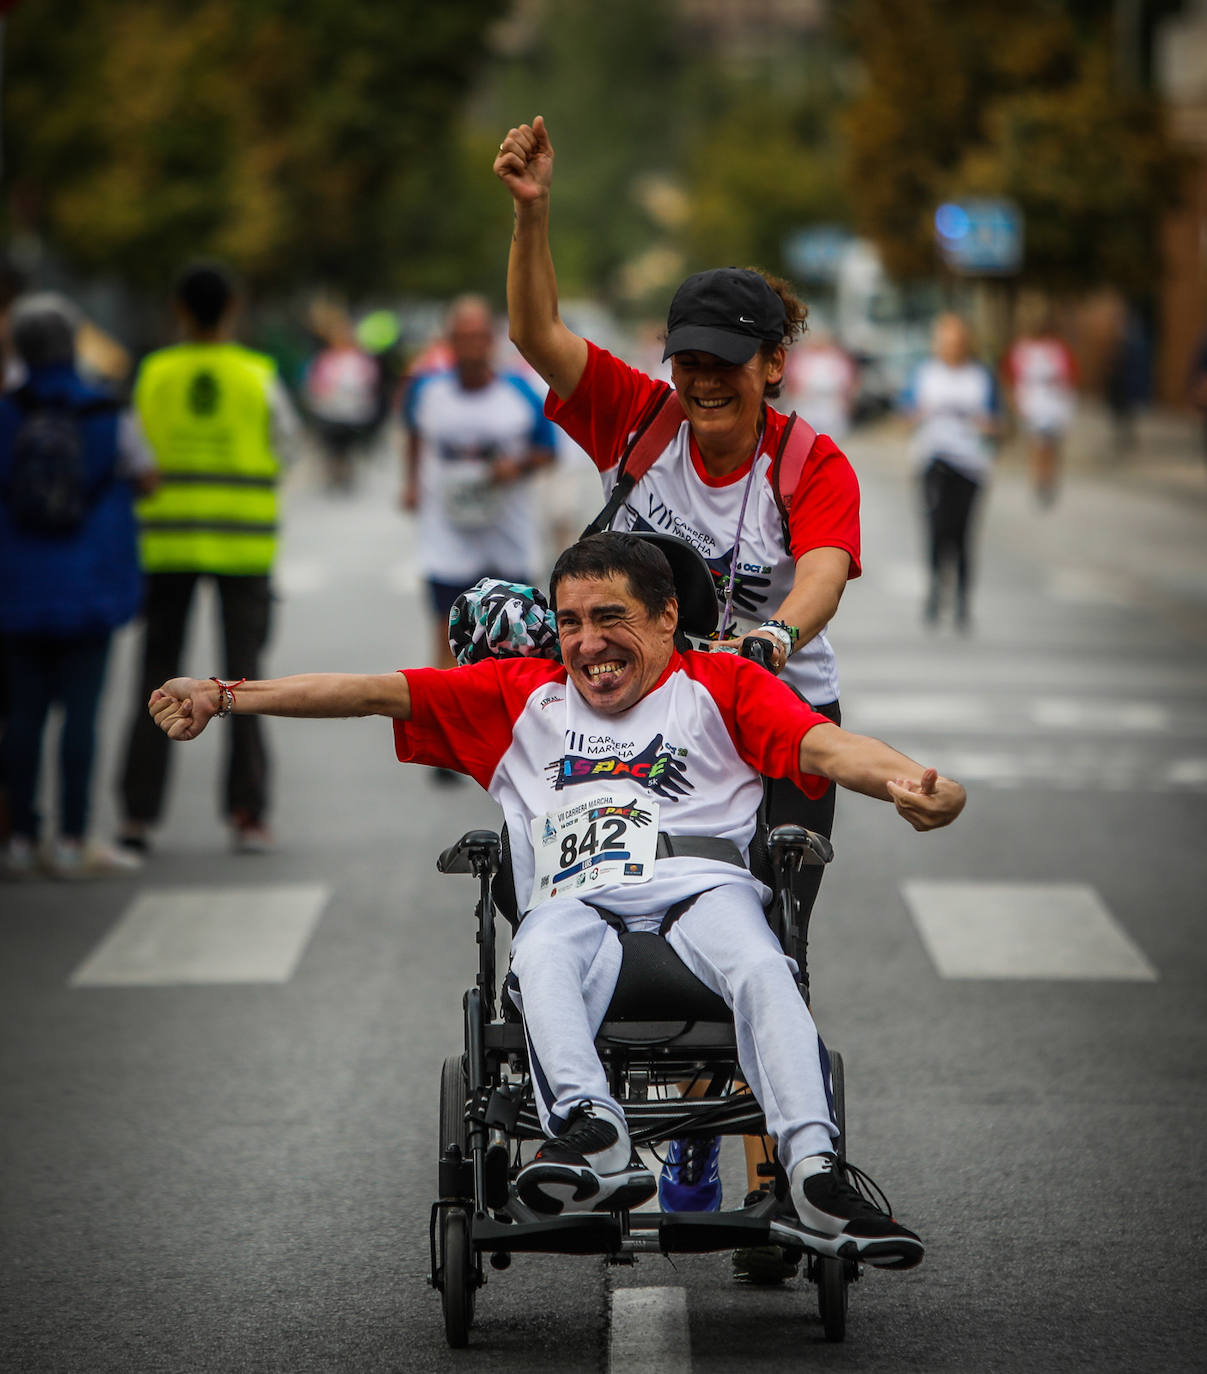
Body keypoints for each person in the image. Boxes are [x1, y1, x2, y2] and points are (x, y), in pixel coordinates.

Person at [146, 532, 965, 1270]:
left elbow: (822, 744)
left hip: (703, 891)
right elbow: (365, 691)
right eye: (569, 622)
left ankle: (816, 1176)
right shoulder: (519, 696)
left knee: (762, 962)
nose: (587, 643)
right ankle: (591, 1131)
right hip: (579, 906)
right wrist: (223, 694)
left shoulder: (721, 682)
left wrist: (906, 781)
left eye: (610, 618)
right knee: (537, 950)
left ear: (665, 616)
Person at [495, 116, 861, 1255]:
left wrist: (773, 639)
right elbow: (537, 332)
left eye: (723, 361)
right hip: (643, 707)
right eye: (686, 357)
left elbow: (825, 569)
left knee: (762, 931)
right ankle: (599, 1112)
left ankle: (735, 1148)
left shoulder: (807, 461)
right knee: (612, 897)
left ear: (770, 367)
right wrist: (531, 211)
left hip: (772, 714)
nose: (700, 379)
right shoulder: (640, 418)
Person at [116, 261, 298, 856]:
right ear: (233, 309)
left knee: (154, 674)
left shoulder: (154, 373)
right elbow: (288, 445)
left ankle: (137, 816)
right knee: (241, 679)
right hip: (243, 543)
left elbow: (131, 448)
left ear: (179, 308)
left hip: (165, 544)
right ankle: (248, 814)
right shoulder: (256, 373)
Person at [0, 294, 156, 877]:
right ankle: (71, 840)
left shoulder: (5, 413)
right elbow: (148, 475)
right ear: (74, 343)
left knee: (23, 717)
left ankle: (17, 841)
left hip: (15, 587)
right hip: (90, 586)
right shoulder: (107, 411)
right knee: (82, 717)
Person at [401, 295, 557, 680]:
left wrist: (516, 466)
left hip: (507, 534)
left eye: (478, 336)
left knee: (515, 635)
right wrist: (411, 484)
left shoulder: (519, 393)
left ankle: (514, 712)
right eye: (461, 336)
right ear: (448, 341)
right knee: (446, 628)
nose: (470, 345)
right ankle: (443, 711)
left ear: (492, 340)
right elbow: (414, 434)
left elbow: (548, 451)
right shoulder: (426, 391)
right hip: (448, 534)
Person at [904, 313, 999, 633]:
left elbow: (999, 422)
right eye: (944, 341)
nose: (950, 347)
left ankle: (962, 600)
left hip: (971, 465)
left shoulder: (981, 376)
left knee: (962, 534)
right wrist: (920, 415)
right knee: (936, 529)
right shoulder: (925, 373)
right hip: (934, 461)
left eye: (956, 341)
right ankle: (934, 590)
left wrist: (986, 425)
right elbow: (906, 412)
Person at [1003, 299, 1078, 506]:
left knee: (1051, 445)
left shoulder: (1058, 349)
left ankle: (1049, 478)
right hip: (1034, 404)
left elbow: (1068, 377)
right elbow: (1012, 377)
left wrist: (1066, 404)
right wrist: (1016, 402)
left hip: (1053, 405)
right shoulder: (1023, 349)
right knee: (1039, 444)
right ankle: (1039, 480)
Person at [302, 301, 382, 492]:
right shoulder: (325, 359)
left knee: (348, 443)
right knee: (332, 443)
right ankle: (335, 469)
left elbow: (369, 382)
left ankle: (346, 470)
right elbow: (315, 383)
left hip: (353, 411)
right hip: (330, 410)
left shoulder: (361, 359)